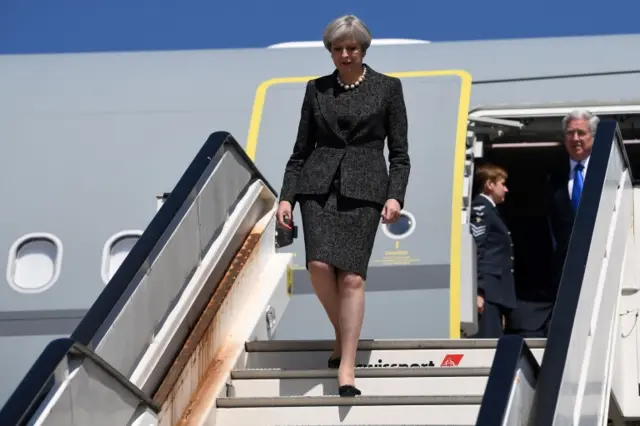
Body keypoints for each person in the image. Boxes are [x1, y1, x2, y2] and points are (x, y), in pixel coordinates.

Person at [276, 14, 410, 397]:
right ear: (330, 51)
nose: (345, 55)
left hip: (366, 189)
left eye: (352, 48)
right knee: (318, 266)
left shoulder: (388, 88)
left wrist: (395, 193)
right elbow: (299, 152)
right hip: (317, 188)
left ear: (363, 50)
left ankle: (346, 366)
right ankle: (343, 333)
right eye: (338, 49)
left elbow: (399, 153)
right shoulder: (316, 89)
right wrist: (287, 196)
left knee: (351, 276)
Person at [509, 108, 598, 337]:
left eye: (581, 132)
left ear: (593, 136)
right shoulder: (554, 176)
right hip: (562, 272)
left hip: (602, 262)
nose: (575, 138)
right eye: (570, 133)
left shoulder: (608, 171)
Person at [469, 163, 516, 338]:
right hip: (487, 291)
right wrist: (478, 292)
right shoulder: (481, 210)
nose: (506, 189)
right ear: (489, 185)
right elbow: (476, 250)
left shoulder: (491, 211)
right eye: (502, 184)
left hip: (495, 292)